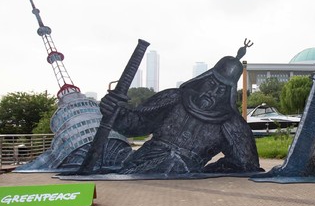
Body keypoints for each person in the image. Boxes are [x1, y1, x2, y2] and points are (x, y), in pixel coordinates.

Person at [99, 43, 262, 175]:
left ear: (229, 93)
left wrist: (203, 170)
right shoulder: (173, 98)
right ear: (205, 79)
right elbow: (136, 124)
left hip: (186, 173)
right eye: (212, 84)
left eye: (221, 90)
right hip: (137, 166)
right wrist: (116, 113)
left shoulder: (232, 124)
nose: (212, 93)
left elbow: (247, 164)